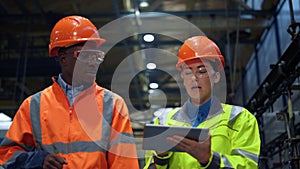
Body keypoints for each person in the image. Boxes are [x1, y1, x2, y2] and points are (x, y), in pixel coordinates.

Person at [0, 15, 139, 169]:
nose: (93, 63)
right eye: (85, 55)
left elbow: (125, 164)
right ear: (63, 58)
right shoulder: (34, 106)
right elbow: (6, 155)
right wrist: (37, 160)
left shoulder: (112, 104)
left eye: (97, 56)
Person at [144, 36, 261, 168]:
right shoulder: (163, 122)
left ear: (216, 76)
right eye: (188, 72)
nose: (194, 78)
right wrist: (161, 158)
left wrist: (210, 159)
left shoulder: (239, 119)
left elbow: (249, 165)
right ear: (183, 78)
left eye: (202, 71)